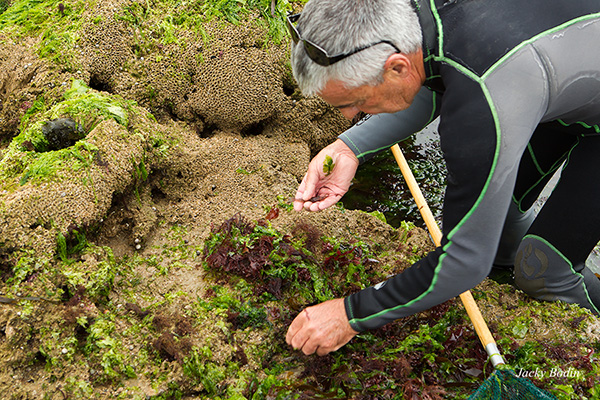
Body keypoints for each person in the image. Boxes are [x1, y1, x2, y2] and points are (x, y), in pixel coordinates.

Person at [284, 0, 600, 356]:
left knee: (542, 269)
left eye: (354, 101)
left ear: (395, 66)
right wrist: (348, 148)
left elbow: (464, 260)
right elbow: (431, 80)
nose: (348, 116)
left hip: (539, 76)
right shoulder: (415, 20)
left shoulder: (482, 102)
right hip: (560, 73)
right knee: (500, 219)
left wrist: (351, 314)